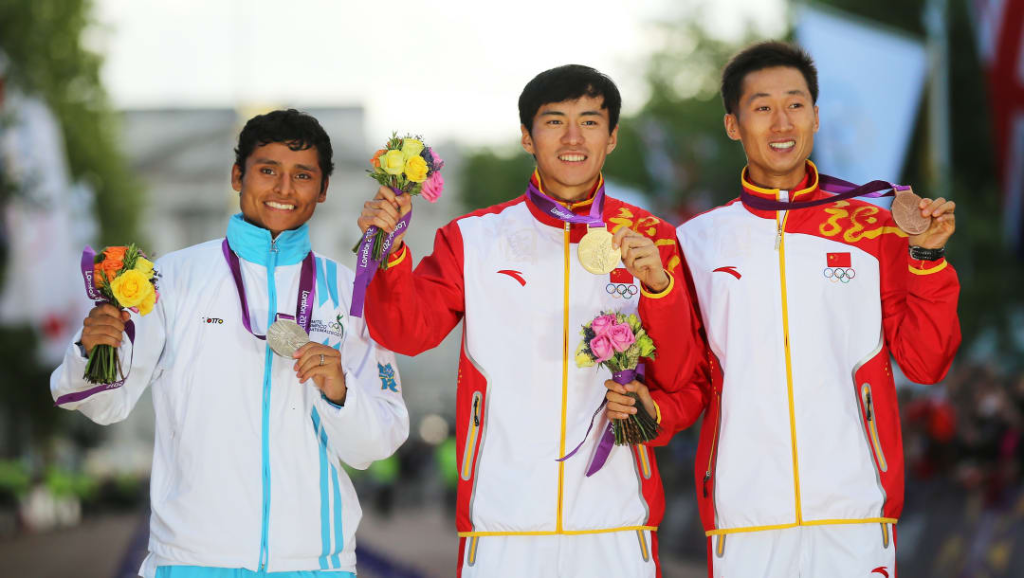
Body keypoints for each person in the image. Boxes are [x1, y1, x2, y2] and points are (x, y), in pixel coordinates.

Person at [605, 41, 962, 577]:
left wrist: (928, 259)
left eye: (795, 104)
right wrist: (650, 414)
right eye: (761, 106)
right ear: (733, 124)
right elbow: (690, 379)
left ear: (816, 117)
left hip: (856, 515)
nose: (781, 122)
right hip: (745, 519)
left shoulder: (873, 230)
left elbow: (926, 362)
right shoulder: (697, 244)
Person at [357, 64, 702, 577]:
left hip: (618, 523)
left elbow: (684, 382)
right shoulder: (473, 239)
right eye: (553, 120)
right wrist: (388, 251)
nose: (572, 137)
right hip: (501, 524)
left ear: (612, 138)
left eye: (589, 121)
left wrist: (658, 290)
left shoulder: (653, 239)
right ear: (526, 136)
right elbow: (405, 333)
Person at [50, 109, 409, 578]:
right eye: (267, 171)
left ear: (323, 190)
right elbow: (103, 404)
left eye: (302, 176)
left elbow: (378, 441)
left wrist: (341, 394)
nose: (283, 189)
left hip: (316, 565)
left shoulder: (351, 294)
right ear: (237, 175)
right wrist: (91, 350)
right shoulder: (170, 281)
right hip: (192, 563)